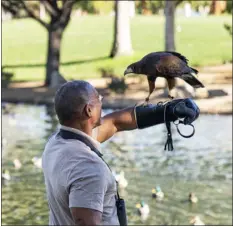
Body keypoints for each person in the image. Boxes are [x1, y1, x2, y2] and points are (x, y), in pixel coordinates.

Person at [42, 80, 200, 226]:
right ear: (89, 110)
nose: (102, 101)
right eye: (99, 98)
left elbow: (115, 122)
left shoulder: (56, 143)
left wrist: (167, 111)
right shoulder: (88, 168)